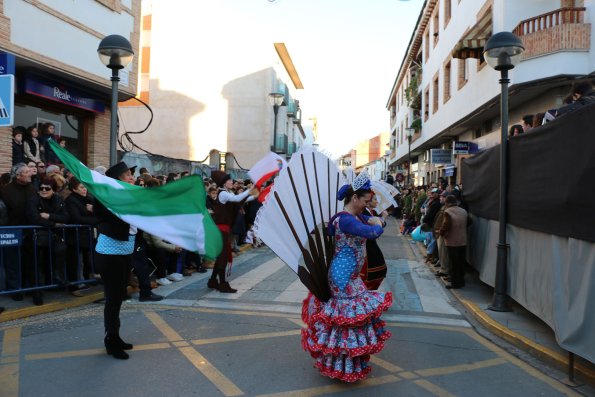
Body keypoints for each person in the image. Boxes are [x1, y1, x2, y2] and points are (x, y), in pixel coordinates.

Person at [302, 173, 392, 382]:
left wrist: (379, 220)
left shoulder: (357, 216)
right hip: (342, 277)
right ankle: (343, 365)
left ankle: (348, 363)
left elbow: (374, 224)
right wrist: (377, 223)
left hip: (351, 274)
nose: (368, 204)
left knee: (353, 320)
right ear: (354, 199)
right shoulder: (345, 220)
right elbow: (371, 232)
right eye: (366, 200)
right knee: (347, 319)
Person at [95, 161, 137, 359]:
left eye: (131, 174)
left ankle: (115, 335)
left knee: (120, 295)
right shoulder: (108, 197)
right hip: (109, 253)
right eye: (128, 174)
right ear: (118, 178)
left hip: (125, 251)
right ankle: (110, 340)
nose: (132, 177)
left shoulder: (130, 194)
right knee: (112, 298)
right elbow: (102, 214)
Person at [207, 171, 257, 293]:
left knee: (221, 257)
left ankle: (213, 281)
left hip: (224, 230)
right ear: (223, 183)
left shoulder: (227, 193)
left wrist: (255, 195)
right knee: (223, 256)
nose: (231, 182)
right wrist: (249, 189)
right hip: (221, 231)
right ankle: (223, 284)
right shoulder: (223, 194)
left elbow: (240, 200)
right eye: (229, 180)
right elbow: (237, 198)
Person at [26, 176, 70, 305]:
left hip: (53, 237)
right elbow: (34, 218)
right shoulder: (33, 200)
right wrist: (54, 224)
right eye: (41, 188)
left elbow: (66, 217)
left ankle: (57, 278)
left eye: (47, 188)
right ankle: (36, 293)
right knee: (36, 266)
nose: (43, 190)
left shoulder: (59, 199)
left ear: (54, 190)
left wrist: (49, 216)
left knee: (59, 252)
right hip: (36, 237)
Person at [0, 164, 35, 300]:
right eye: (27, 172)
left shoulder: (32, 189)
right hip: (12, 232)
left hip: (30, 231)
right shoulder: (6, 191)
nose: (30, 174)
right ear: (18, 175)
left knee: (30, 261)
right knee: (13, 263)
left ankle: (30, 288)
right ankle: (15, 290)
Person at [65, 177, 99, 295]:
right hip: (75, 236)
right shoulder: (71, 200)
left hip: (87, 235)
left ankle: (86, 279)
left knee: (86, 259)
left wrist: (94, 212)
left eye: (85, 187)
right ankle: (76, 284)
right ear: (74, 189)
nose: (84, 190)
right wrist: (94, 220)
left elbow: (98, 213)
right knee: (77, 261)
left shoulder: (89, 199)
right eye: (81, 187)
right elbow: (76, 218)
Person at [438, 195, 471, 289]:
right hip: (463, 240)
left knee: (453, 263)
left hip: (452, 241)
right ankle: (461, 281)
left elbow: (446, 225)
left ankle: (454, 283)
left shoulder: (447, 212)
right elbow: (470, 222)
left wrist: (441, 233)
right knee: (461, 262)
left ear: (447, 203)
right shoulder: (463, 211)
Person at [359, 193, 388, 290]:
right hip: (367, 247)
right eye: (374, 199)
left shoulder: (371, 212)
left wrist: (382, 219)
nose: (377, 201)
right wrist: (382, 219)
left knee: (379, 269)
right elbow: (374, 229)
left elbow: (378, 224)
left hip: (370, 245)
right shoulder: (363, 213)